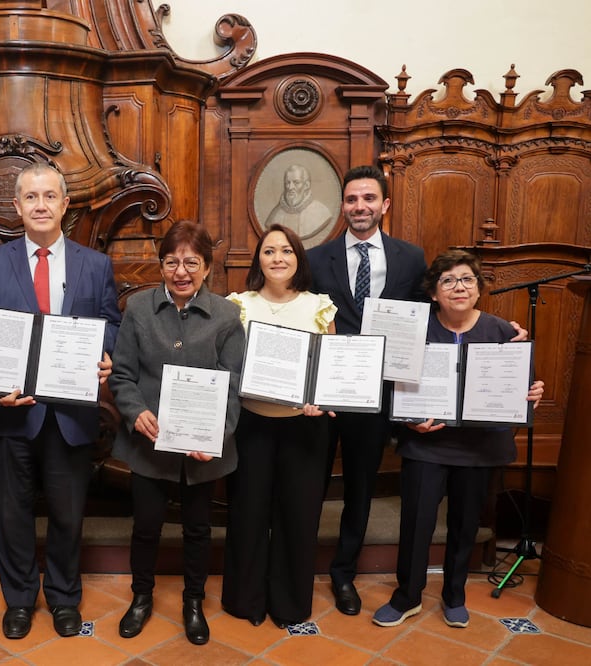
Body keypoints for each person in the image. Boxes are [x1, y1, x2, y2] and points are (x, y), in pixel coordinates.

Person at [0, 161, 121, 640]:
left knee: (68, 512)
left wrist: (105, 355)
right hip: (10, 413)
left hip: (70, 414)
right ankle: (17, 601)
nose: (40, 205)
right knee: (10, 513)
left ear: (64, 204)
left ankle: (63, 597)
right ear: (17, 206)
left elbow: (111, 322)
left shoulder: (95, 264)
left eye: (49, 196)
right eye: (30, 197)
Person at [372, 249, 545, 629]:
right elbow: (391, 387)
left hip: (478, 449)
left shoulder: (503, 333)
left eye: (467, 279)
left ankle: (454, 594)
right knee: (416, 524)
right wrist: (409, 421)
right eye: (447, 281)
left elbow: (520, 386)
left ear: (479, 288)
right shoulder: (415, 330)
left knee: (466, 525)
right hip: (425, 444)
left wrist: (530, 392)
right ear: (434, 293)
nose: (458, 287)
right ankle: (408, 596)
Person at [109, 220, 245, 646]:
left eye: (191, 262)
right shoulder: (139, 309)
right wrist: (136, 412)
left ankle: (192, 602)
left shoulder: (225, 314)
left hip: (203, 452)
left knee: (198, 529)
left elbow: (233, 383)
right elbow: (123, 376)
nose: (180, 271)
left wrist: (216, 435)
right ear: (161, 264)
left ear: (206, 267)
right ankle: (141, 598)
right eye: (171, 262)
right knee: (146, 527)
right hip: (149, 445)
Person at [307, 164, 428, 616]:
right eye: (352, 199)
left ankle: (343, 574)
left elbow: (427, 320)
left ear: (385, 204)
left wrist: (498, 332)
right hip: (323, 393)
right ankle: (298, 567)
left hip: (375, 396)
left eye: (369, 199)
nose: (360, 207)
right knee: (310, 483)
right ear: (343, 206)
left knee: (360, 487)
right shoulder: (317, 259)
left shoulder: (410, 258)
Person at [221, 223, 337, 628]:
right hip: (251, 424)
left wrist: (320, 401)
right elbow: (226, 365)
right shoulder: (238, 304)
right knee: (248, 513)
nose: (277, 258)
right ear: (258, 259)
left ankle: (289, 603)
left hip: (303, 429)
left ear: (298, 258)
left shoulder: (318, 306)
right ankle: (245, 599)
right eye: (269, 251)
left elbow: (328, 369)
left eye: (286, 251)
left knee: (298, 516)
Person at [266, 164, 335, 243]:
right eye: (287, 183)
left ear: (306, 185)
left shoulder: (321, 213)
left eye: (296, 182)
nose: (290, 187)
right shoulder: (275, 215)